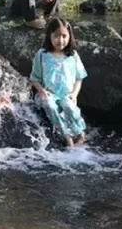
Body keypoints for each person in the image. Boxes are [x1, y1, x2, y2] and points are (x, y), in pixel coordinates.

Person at [30, 18, 87, 148]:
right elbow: (34, 78)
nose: (60, 40)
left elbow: (80, 77)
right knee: (49, 105)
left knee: (68, 105)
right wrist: (41, 90)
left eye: (64, 36)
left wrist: (74, 94)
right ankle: (66, 135)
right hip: (49, 93)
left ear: (69, 36)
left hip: (67, 94)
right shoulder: (42, 55)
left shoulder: (72, 55)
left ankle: (80, 132)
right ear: (49, 36)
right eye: (56, 36)